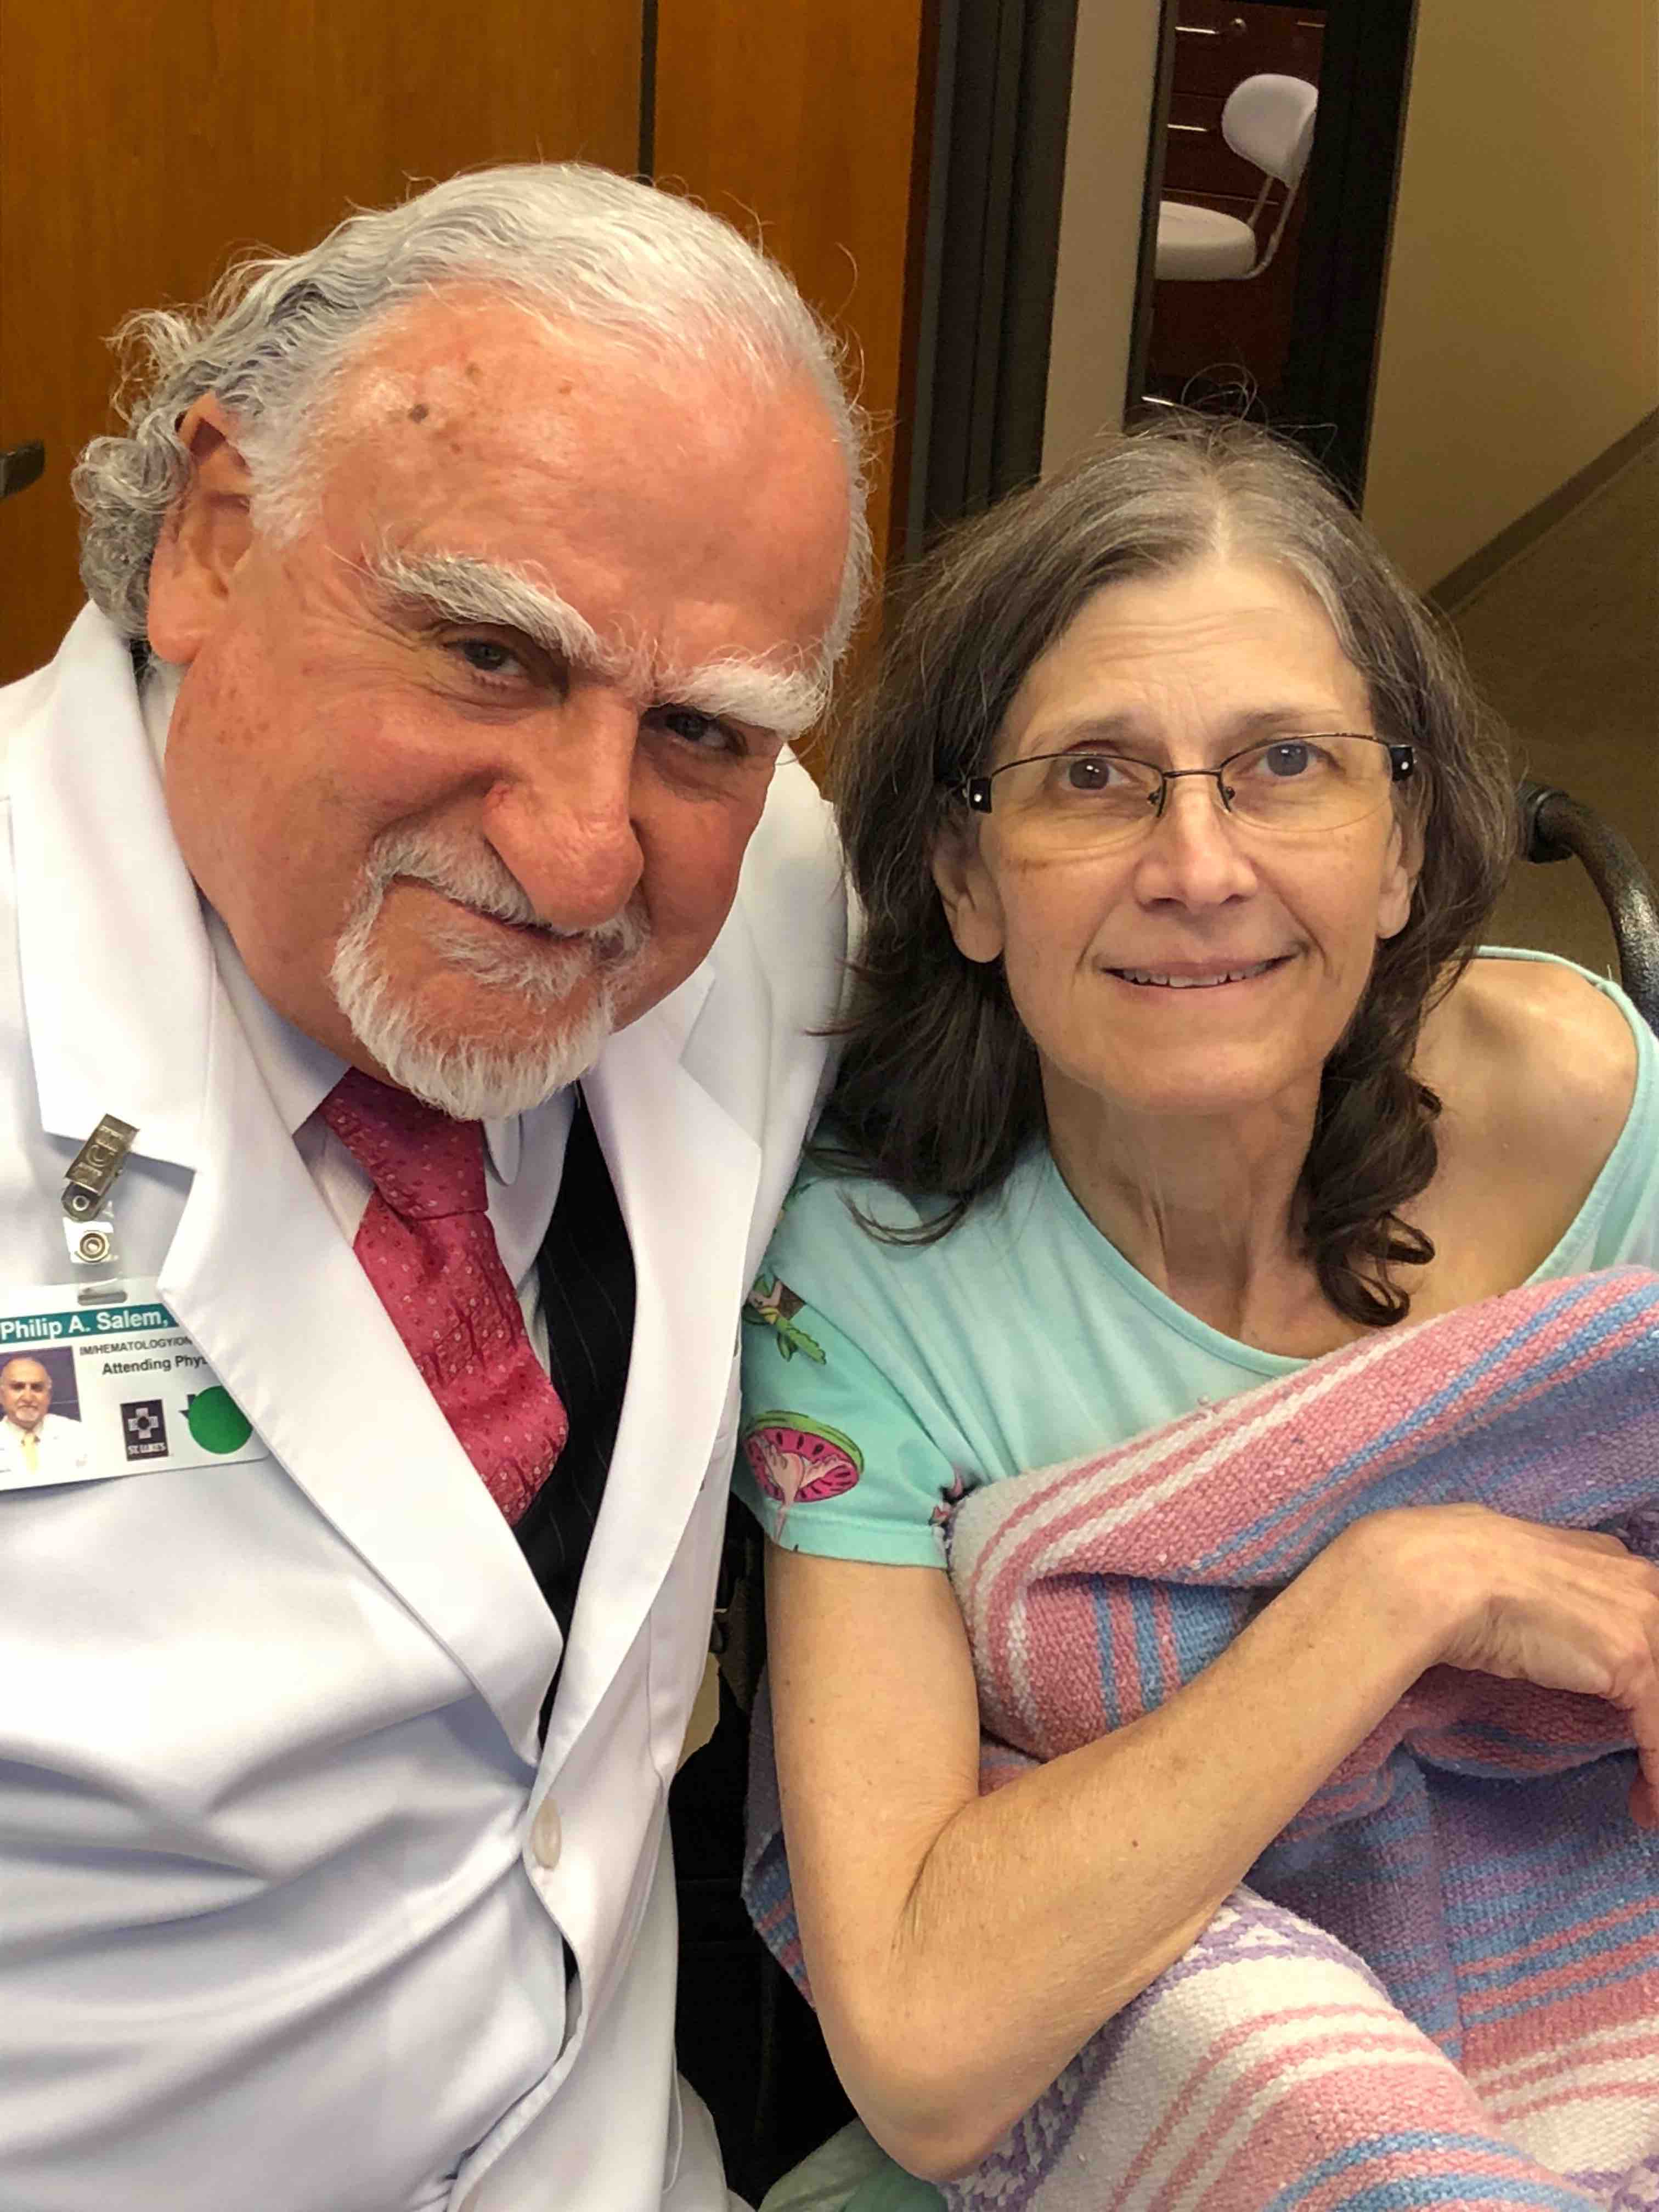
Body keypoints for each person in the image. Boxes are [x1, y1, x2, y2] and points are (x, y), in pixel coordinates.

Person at [0, 165, 867, 2211]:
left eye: (701, 729)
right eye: (488, 653)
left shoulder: (767, 891)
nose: (582, 854)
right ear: (216, 537)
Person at [733, 417, 1659, 2208]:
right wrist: (1393, 1592)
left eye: (1284, 764)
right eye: (1092, 777)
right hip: (1144, 2087)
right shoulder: (874, 1279)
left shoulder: (1587, 1110)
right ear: (962, 876)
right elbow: (923, 2045)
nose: (1198, 864)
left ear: (1401, 847)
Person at [0, 1355, 88, 1481]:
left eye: (37, 1388)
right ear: (1, 1395)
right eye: (18, 1387)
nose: (28, 1398)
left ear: (49, 1397)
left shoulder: (78, 1433)